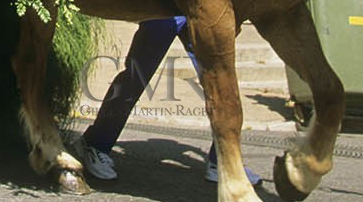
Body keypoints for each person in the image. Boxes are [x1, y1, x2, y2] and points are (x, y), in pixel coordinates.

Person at [77, 16, 261, 186]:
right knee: (136, 76)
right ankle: (95, 144)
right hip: (164, 7)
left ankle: (224, 160)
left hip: (198, 8)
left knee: (220, 83)